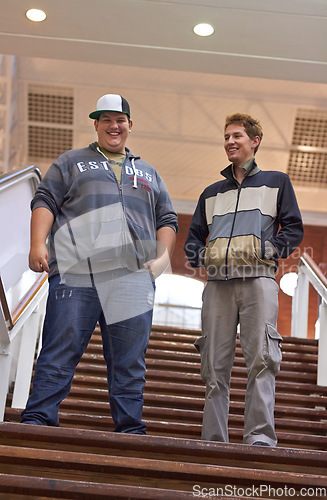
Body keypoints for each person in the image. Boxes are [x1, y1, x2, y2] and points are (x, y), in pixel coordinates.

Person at [21, 94, 178, 434]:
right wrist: (37, 243)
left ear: (130, 125)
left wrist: (161, 259)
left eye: (119, 119)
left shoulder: (148, 172)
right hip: (78, 273)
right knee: (59, 350)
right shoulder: (72, 161)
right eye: (105, 119)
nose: (113, 126)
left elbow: (166, 218)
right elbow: (45, 199)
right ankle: (37, 421)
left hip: (133, 278)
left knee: (129, 362)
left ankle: (130, 430)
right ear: (96, 124)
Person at [184, 113, 303, 447]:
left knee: (263, 361)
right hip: (217, 287)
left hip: (258, 282)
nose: (230, 142)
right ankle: (213, 441)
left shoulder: (277, 182)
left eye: (237, 135)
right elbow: (193, 239)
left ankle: (259, 440)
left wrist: (268, 249)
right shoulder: (211, 193)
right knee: (213, 367)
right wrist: (203, 257)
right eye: (226, 137)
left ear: (255, 141)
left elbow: (293, 228)